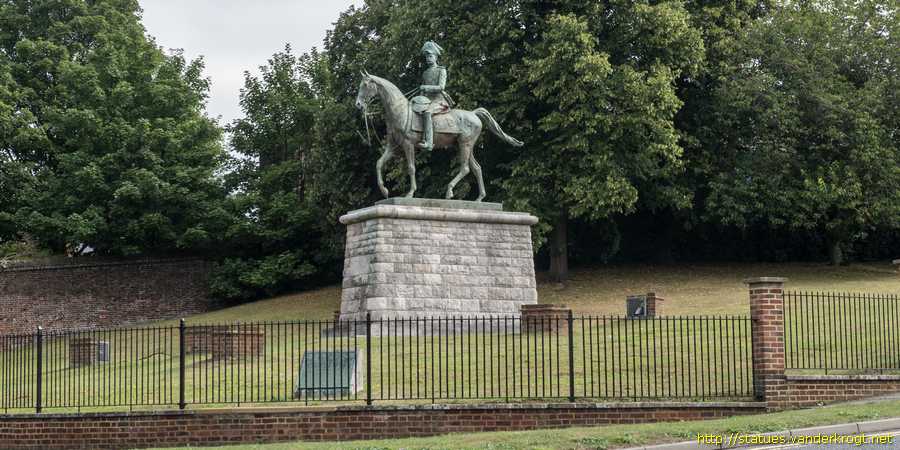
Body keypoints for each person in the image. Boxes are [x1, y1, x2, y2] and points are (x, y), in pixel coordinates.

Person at [412, 41, 451, 151]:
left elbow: (441, 87)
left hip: (439, 101)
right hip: (427, 101)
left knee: (427, 113)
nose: (428, 58)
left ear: (435, 57)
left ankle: (429, 143)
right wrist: (417, 100)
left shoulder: (441, 70)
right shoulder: (425, 73)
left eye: (430, 56)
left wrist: (425, 88)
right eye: (426, 57)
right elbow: (422, 92)